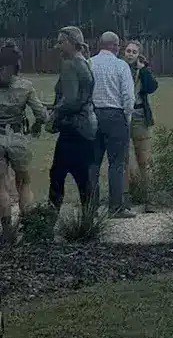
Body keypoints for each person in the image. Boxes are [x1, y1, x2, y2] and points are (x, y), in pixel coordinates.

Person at [47, 26, 99, 213]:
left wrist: (54, 113)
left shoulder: (69, 64)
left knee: (57, 175)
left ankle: (49, 219)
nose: (58, 47)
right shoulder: (85, 62)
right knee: (84, 176)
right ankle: (89, 219)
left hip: (72, 128)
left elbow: (70, 101)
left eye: (61, 42)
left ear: (72, 43)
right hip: (88, 127)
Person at [0, 42, 47, 242]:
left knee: (1, 186)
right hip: (18, 138)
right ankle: (28, 228)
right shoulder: (25, 86)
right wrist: (37, 126)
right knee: (24, 183)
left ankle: (6, 231)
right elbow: (41, 114)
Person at [90, 31, 136, 218]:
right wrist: (127, 116)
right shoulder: (121, 66)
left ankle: (91, 207)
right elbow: (128, 95)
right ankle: (115, 207)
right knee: (116, 163)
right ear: (116, 46)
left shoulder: (89, 63)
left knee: (92, 163)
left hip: (93, 115)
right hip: (115, 115)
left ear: (100, 45)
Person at [123, 39, 158, 208]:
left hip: (138, 115)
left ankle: (149, 198)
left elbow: (152, 87)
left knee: (143, 159)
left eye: (134, 52)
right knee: (123, 160)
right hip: (122, 115)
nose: (130, 54)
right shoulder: (120, 67)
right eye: (128, 51)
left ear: (138, 55)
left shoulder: (143, 70)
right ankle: (125, 198)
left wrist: (143, 69)